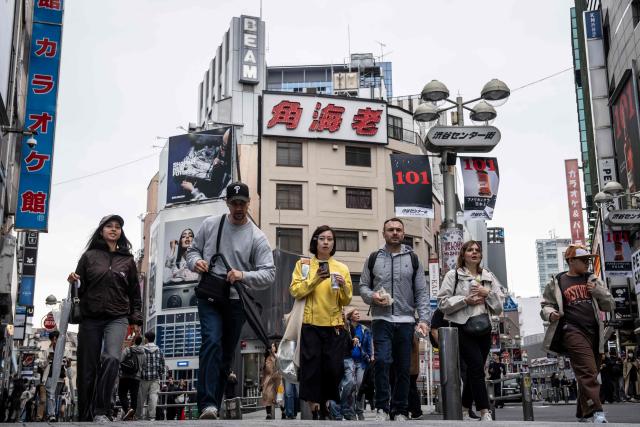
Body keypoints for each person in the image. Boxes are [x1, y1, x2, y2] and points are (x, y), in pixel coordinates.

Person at [186, 181, 275, 419]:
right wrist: (195, 262)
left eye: (242, 203)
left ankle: (213, 404)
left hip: (237, 301)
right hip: (210, 296)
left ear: (248, 204)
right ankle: (206, 404)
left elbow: (269, 273)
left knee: (226, 354)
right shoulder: (211, 225)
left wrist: (242, 275)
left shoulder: (257, 237)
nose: (238, 207)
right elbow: (191, 251)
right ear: (227, 203)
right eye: (234, 203)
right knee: (212, 342)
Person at [67, 214, 142, 422]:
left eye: (118, 227)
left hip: (117, 317)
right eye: (109, 226)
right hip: (90, 317)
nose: (113, 229)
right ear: (101, 231)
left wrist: (136, 319)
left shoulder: (128, 261)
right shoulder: (89, 257)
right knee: (87, 366)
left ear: (121, 232)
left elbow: (135, 293)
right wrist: (73, 280)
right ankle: (85, 414)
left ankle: (102, 410)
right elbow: (79, 287)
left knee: (112, 358)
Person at [360, 218, 430, 421]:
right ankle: (381, 407)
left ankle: (400, 409)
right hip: (381, 319)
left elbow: (421, 292)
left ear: (403, 233)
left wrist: (424, 319)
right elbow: (363, 286)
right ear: (384, 233)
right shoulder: (373, 258)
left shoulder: (414, 259)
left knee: (403, 367)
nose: (395, 232)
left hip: (406, 320)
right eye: (390, 229)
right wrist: (372, 296)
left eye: (398, 229)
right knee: (381, 361)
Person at [540, 244, 614, 423]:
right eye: (583, 260)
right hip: (571, 330)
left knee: (589, 372)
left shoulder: (593, 279)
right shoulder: (557, 281)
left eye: (589, 260)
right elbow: (545, 305)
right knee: (588, 371)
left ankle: (583, 412)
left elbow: (610, 305)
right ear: (571, 261)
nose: (587, 263)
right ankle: (597, 411)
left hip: (595, 333)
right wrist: (550, 314)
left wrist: (597, 291)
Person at [290, 225, 353, 420]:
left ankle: (324, 402)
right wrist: (315, 279)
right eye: (322, 238)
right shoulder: (304, 264)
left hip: (334, 326)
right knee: (311, 370)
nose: (326, 242)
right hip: (310, 324)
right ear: (315, 242)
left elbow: (346, 300)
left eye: (330, 239)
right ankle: (315, 407)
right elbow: (295, 290)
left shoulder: (341, 268)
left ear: (333, 244)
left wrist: (343, 287)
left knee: (333, 369)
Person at [438, 240, 504, 422]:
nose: (474, 253)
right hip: (462, 327)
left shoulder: (488, 276)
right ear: (463, 254)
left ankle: (465, 409)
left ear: (481, 255)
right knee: (476, 367)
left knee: (476, 370)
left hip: (484, 327)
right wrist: (465, 300)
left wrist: (486, 293)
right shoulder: (454, 275)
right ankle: (485, 411)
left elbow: (499, 306)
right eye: (470, 250)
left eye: (477, 250)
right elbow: (442, 303)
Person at [346, 308, 373, 420]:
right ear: (350, 316)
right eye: (355, 314)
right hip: (350, 361)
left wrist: (371, 356)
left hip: (361, 363)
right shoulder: (346, 328)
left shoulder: (364, 329)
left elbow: (369, 344)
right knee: (351, 386)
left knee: (360, 386)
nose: (358, 315)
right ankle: (351, 412)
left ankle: (360, 411)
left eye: (358, 314)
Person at [136, 331, 165, 421]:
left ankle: (138, 416)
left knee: (141, 398)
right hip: (155, 378)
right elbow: (162, 365)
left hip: (143, 377)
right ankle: (151, 417)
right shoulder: (159, 350)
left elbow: (139, 363)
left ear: (147, 339)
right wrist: (160, 374)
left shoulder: (141, 349)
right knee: (153, 397)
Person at [119, 335, 145, 421]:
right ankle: (132, 415)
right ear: (141, 342)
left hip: (125, 376)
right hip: (136, 378)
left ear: (133, 341)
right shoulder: (143, 353)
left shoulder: (127, 350)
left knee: (122, 393)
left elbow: (120, 360)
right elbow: (143, 366)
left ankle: (127, 410)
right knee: (134, 396)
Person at [261, 342, 283, 420]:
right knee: (268, 396)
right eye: (271, 346)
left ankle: (283, 411)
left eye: (273, 346)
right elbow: (263, 371)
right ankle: (269, 414)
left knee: (280, 397)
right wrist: (262, 383)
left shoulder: (277, 356)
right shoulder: (266, 358)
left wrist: (273, 355)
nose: (272, 347)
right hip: (268, 379)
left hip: (278, 379)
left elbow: (280, 366)